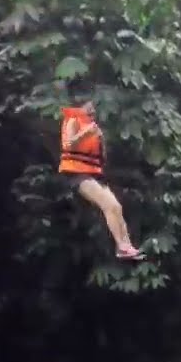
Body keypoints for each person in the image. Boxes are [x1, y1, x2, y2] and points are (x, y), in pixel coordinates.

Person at [59, 89, 145, 261]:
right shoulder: (73, 119)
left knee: (116, 207)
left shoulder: (91, 124)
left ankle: (126, 246)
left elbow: (100, 154)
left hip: (93, 173)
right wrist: (86, 133)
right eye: (90, 105)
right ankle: (122, 246)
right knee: (108, 205)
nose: (93, 109)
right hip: (77, 174)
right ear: (81, 104)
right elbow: (68, 144)